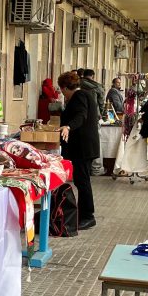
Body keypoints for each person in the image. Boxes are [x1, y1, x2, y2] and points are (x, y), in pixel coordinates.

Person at [57, 70, 100, 229]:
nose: (62, 93)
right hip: (83, 147)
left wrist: (68, 126)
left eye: (62, 90)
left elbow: (81, 116)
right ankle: (83, 214)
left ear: (65, 87)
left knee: (83, 181)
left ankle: (88, 216)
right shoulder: (84, 95)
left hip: (83, 147)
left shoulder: (80, 96)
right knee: (81, 181)